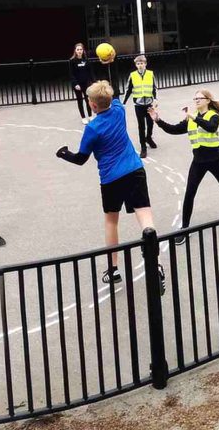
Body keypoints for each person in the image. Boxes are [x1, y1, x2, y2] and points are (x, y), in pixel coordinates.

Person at [56, 80, 163, 291]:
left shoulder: (93, 128)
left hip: (111, 179)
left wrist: (63, 153)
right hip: (134, 171)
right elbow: (113, 93)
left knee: (111, 222)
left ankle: (113, 270)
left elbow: (80, 159)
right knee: (146, 218)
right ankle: (155, 263)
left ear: (92, 105)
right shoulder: (118, 110)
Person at [150, 89, 219, 243]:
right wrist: (157, 120)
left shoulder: (212, 116)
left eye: (199, 98)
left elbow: (211, 127)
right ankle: (185, 229)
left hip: (215, 161)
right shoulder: (191, 119)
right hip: (198, 162)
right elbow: (173, 130)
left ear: (207, 100)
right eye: (195, 99)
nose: (196, 101)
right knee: (190, 193)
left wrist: (193, 117)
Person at [122, 55, 157, 158]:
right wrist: (123, 103)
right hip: (138, 104)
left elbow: (154, 87)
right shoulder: (132, 75)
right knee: (141, 126)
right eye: (138, 64)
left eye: (142, 63)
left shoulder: (150, 74)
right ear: (136, 65)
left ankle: (149, 138)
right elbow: (128, 89)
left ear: (145, 64)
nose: (140, 65)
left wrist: (156, 99)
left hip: (149, 103)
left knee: (150, 123)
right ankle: (143, 147)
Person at [69, 43, 95, 124]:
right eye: (78, 50)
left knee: (88, 100)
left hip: (86, 83)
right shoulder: (72, 61)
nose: (79, 51)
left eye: (81, 49)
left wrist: (93, 81)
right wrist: (75, 84)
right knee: (80, 100)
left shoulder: (86, 60)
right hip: (77, 85)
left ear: (83, 50)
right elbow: (71, 74)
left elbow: (90, 72)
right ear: (75, 51)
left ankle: (90, 116)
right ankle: (83, 117)